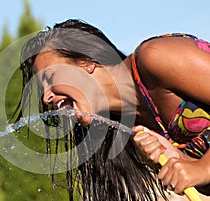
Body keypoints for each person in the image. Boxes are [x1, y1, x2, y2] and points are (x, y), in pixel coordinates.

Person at [15, 19, 210, 200]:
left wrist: (202, 168)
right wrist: (178, 160)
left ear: (87, 62)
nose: (46, 97)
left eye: (50, 77)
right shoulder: (130, 130)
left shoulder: (155, 57)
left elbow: (204, 170)